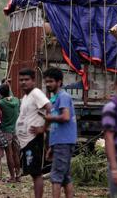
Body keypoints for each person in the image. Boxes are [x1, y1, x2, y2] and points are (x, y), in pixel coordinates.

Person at [16, 68, 51, 198]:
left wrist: (43, 128)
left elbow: (49, 108)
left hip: (34, 140)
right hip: (26, 141)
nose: (23, 82)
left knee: (36, 173)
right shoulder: (26, 96)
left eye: (26, 80)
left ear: (33, 81)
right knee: (32, 172)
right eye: (21, 80)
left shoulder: (36, 93)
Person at [43, 67, 77, 198]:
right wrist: (51, 146)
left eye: (51, 81)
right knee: (65, 177)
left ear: (59, 82)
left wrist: (48, 118)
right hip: (60, 142)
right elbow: (55, 125)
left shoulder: (63, 96)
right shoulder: (54, 99)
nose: (48, 84)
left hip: (64, 141)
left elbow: (65, 116)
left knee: (56, 176)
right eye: (46, 82)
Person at [0, 83, 20, 182]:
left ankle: (12, 177)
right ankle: (18, 175)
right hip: (15, 130)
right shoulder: (17, 100)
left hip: (6, 130)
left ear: (1, 93)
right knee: (16, 154)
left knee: (9, 154)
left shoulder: (1, 103)